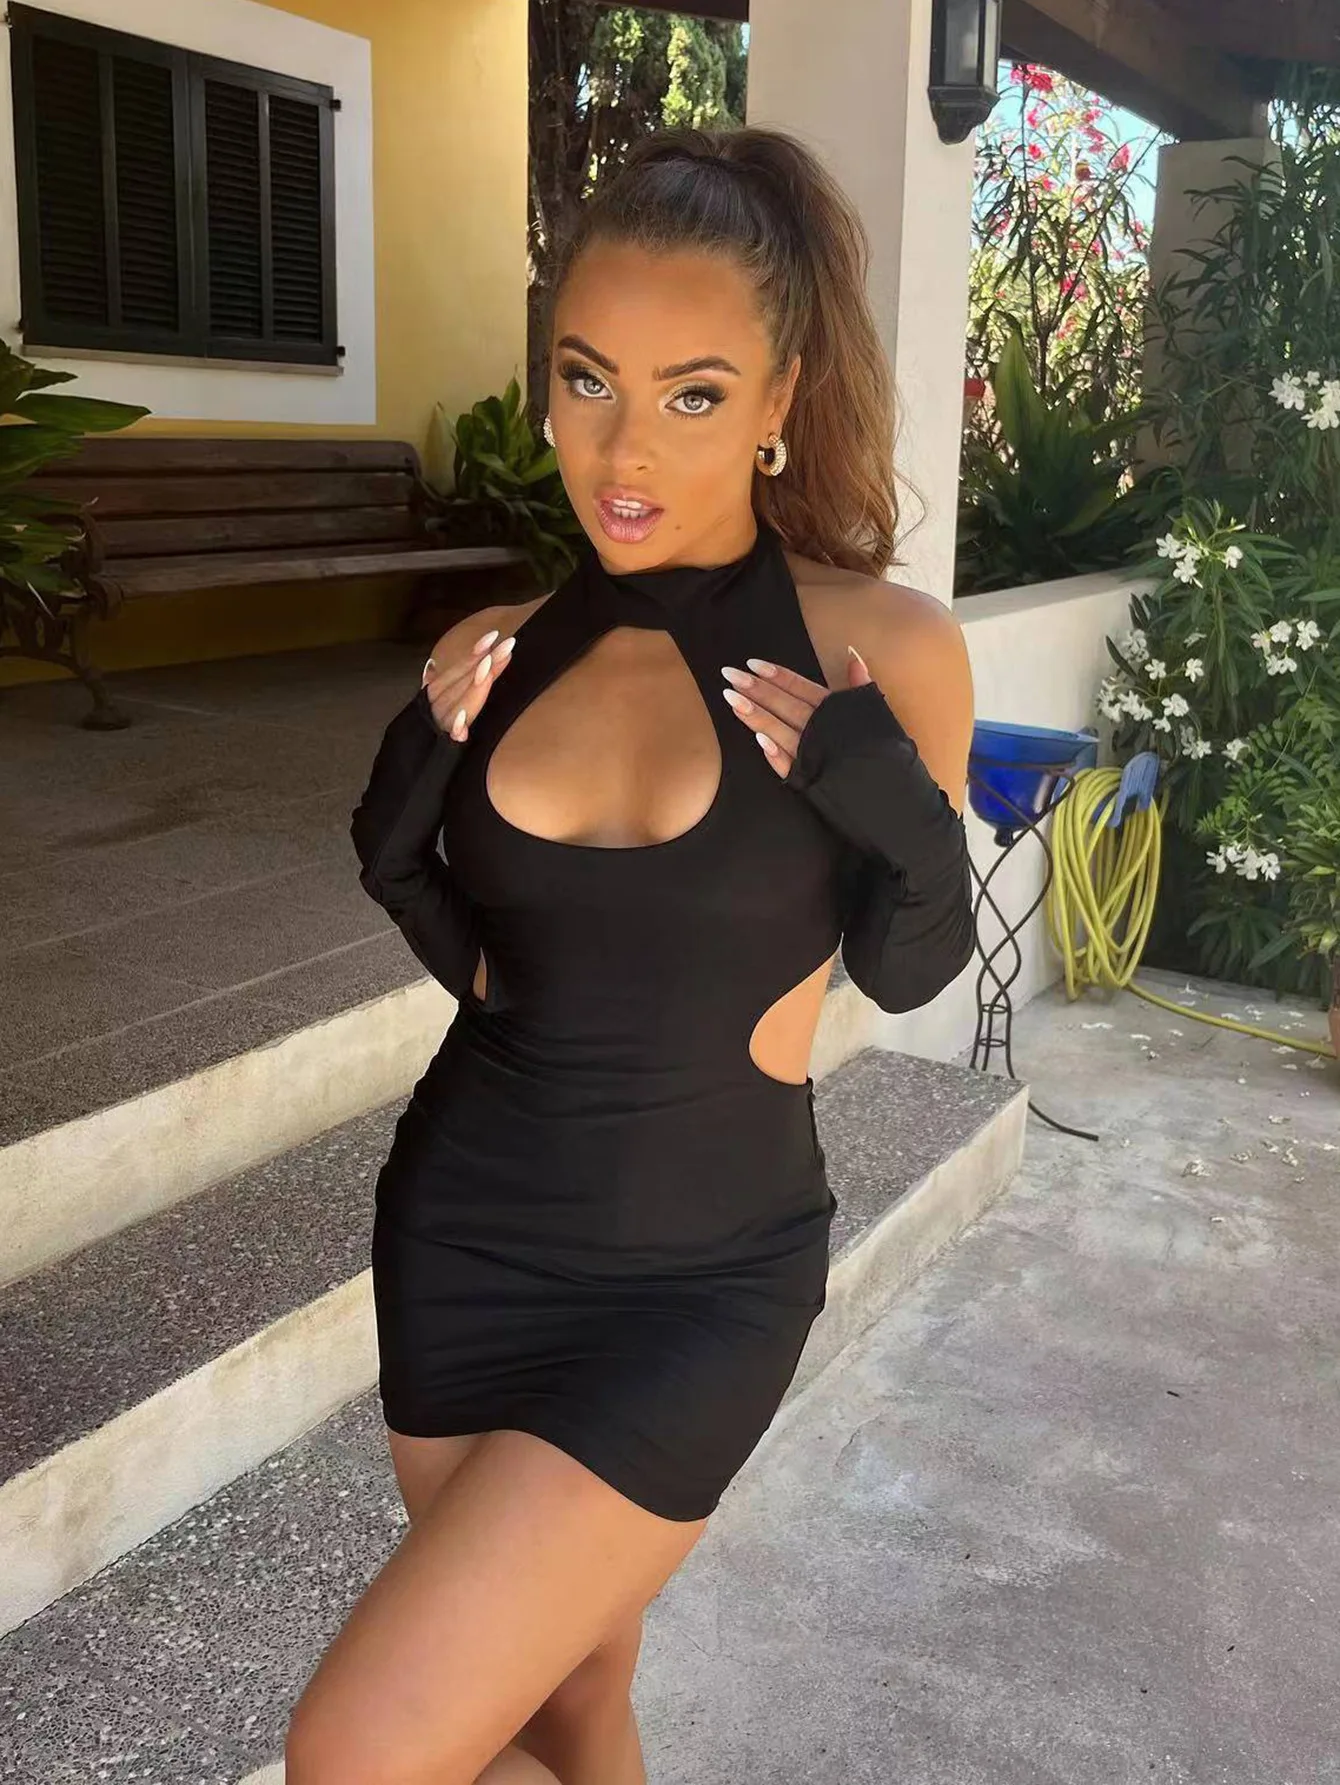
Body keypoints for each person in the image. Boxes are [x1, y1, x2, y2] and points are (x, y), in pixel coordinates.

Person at [286, 124, 975, 1784]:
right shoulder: (496, 648)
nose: (623, 446)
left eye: (692, 392)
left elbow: (909, 972)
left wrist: (897, 809)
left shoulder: (879, 649)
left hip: (700, 1279)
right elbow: (493, 971)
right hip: (468, 1236)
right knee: (570, 1701)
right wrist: (396, 838)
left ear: (780, 397)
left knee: (358, 1752)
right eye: (587, 379)